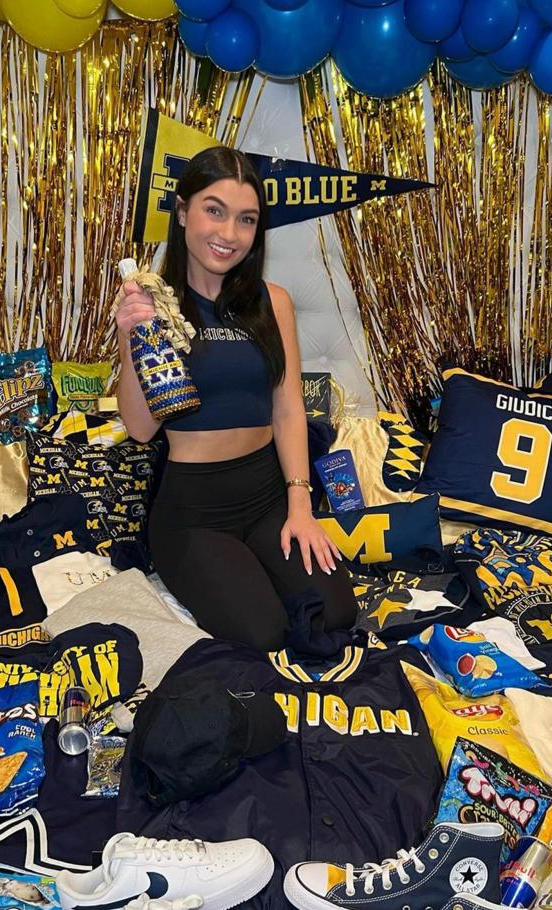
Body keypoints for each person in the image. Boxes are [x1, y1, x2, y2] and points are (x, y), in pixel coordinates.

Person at [114, 145, 356, 651]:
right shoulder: (155, 304)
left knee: (336, 612)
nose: (229, 234)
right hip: (194, 512)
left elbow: (288, 408)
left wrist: (301, 506)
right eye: (214, 210)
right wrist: (129, 334)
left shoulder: (274, 302)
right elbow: (140, 429)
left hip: (268, 495)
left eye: (246, 220)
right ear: (183, 212)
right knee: (262, 633)